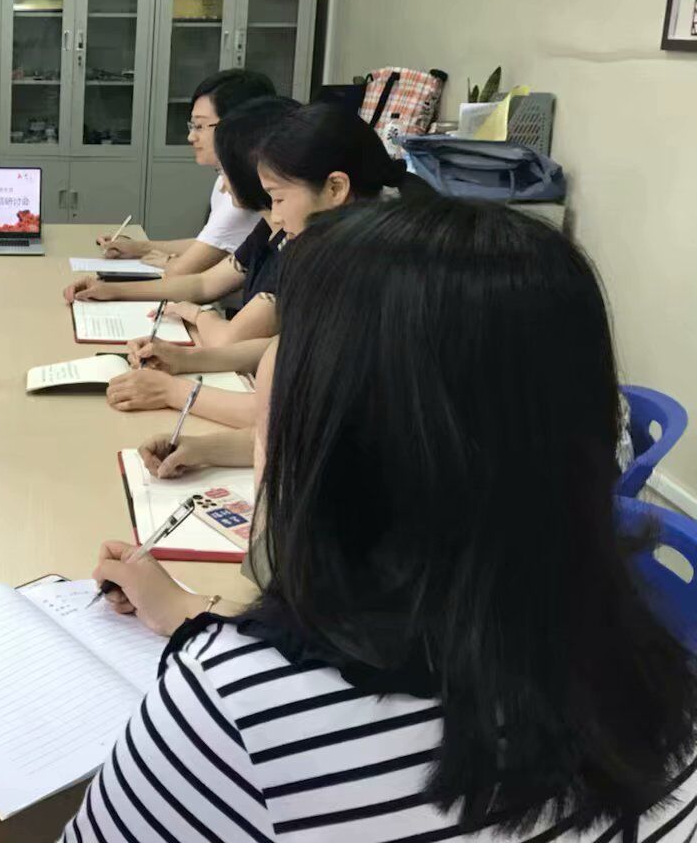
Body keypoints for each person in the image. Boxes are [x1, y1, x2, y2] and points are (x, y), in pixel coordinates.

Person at [71, 199, 697, 841]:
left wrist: (216, 644)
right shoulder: (652, 676)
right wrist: (192, 613)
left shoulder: (234, 716)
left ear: (331, 451)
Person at [106, 101, 430, 426]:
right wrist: (186, 359)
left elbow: (281, 412)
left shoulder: (379, 267)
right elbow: (286, 347)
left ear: (335, 188)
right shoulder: (340, 247)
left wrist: (171, 391)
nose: (275, 217)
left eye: (279, 198)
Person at [96, 69, 275, 274]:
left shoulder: (242, 195)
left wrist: (170, 263)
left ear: (237, 126)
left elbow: (187, 272)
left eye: (200, 126)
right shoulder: (225, 180)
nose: (191, 137)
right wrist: (139, 248)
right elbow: (209, 243)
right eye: (192, 125)